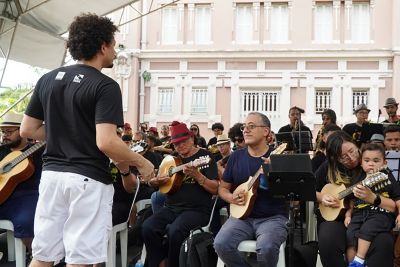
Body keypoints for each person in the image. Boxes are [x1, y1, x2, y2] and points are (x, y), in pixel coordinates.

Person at [20, 14, 154, 267]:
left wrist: (65, 132)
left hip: (51, 177)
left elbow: (28, 129)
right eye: (113, 45)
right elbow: (106, 142)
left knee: (42, 255)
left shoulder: (47, 79)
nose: (115, 52)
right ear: (102, 46)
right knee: (81, 259)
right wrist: (142, 162)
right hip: (87, 179)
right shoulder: (105, 86)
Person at [214, 112, 288, 266]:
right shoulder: (235, 157)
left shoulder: (277, 158)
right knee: (221, 244)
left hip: (272, 217)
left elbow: (289, 193)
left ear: (266, 131)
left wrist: (273, 172)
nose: (245, 130)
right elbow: (222, 188)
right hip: (241, 218)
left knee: (266, 247)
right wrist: (231, 198)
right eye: (244, 127)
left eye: (251, 126)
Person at [141, 121, 218, 267]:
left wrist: (198, 176)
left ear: (191, 138)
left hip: (197, 210)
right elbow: (152, 182)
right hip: (171, 208)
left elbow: (215, 189)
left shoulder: (205, 157)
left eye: (182, 142)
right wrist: (155, 182)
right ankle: (161, 262)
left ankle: (172, 263)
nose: (179, 147)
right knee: (147, 227)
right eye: (176, 144)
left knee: (175, 230)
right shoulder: (171, 160)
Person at [315, 131, 394, 267]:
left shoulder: (372, 162)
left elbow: (394, 202)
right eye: (343, 157)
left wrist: (374, 198)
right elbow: (308, 188)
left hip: (373, 216)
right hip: (338, 220)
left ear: (355, 143)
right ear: (335, 159)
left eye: (352, 151)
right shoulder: (328, 167)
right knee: (327, 237)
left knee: (384, 241)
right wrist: (322, 197)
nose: (351, 158)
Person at [345, 143, 400, 267]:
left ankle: (359, 260)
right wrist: (348, 214)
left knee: (368, 228)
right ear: (361, 162)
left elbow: (397, 197)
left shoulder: (388, 176)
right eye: (367, 160)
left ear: (384, 163)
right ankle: (352, 264)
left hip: (380, 213)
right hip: (358, 214)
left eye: (376, 160)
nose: (371, 163)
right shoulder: (358, 177)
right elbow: (351, 201)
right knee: (350, 235)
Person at [0, 111, 44, 253]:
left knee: (25, 221)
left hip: (27, 195)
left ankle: (39, 255)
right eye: (2, 131)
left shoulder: (39, 150)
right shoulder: (1, 150)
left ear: (23, 131)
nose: (4, 135)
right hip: (3, 195)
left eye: (9, 131)